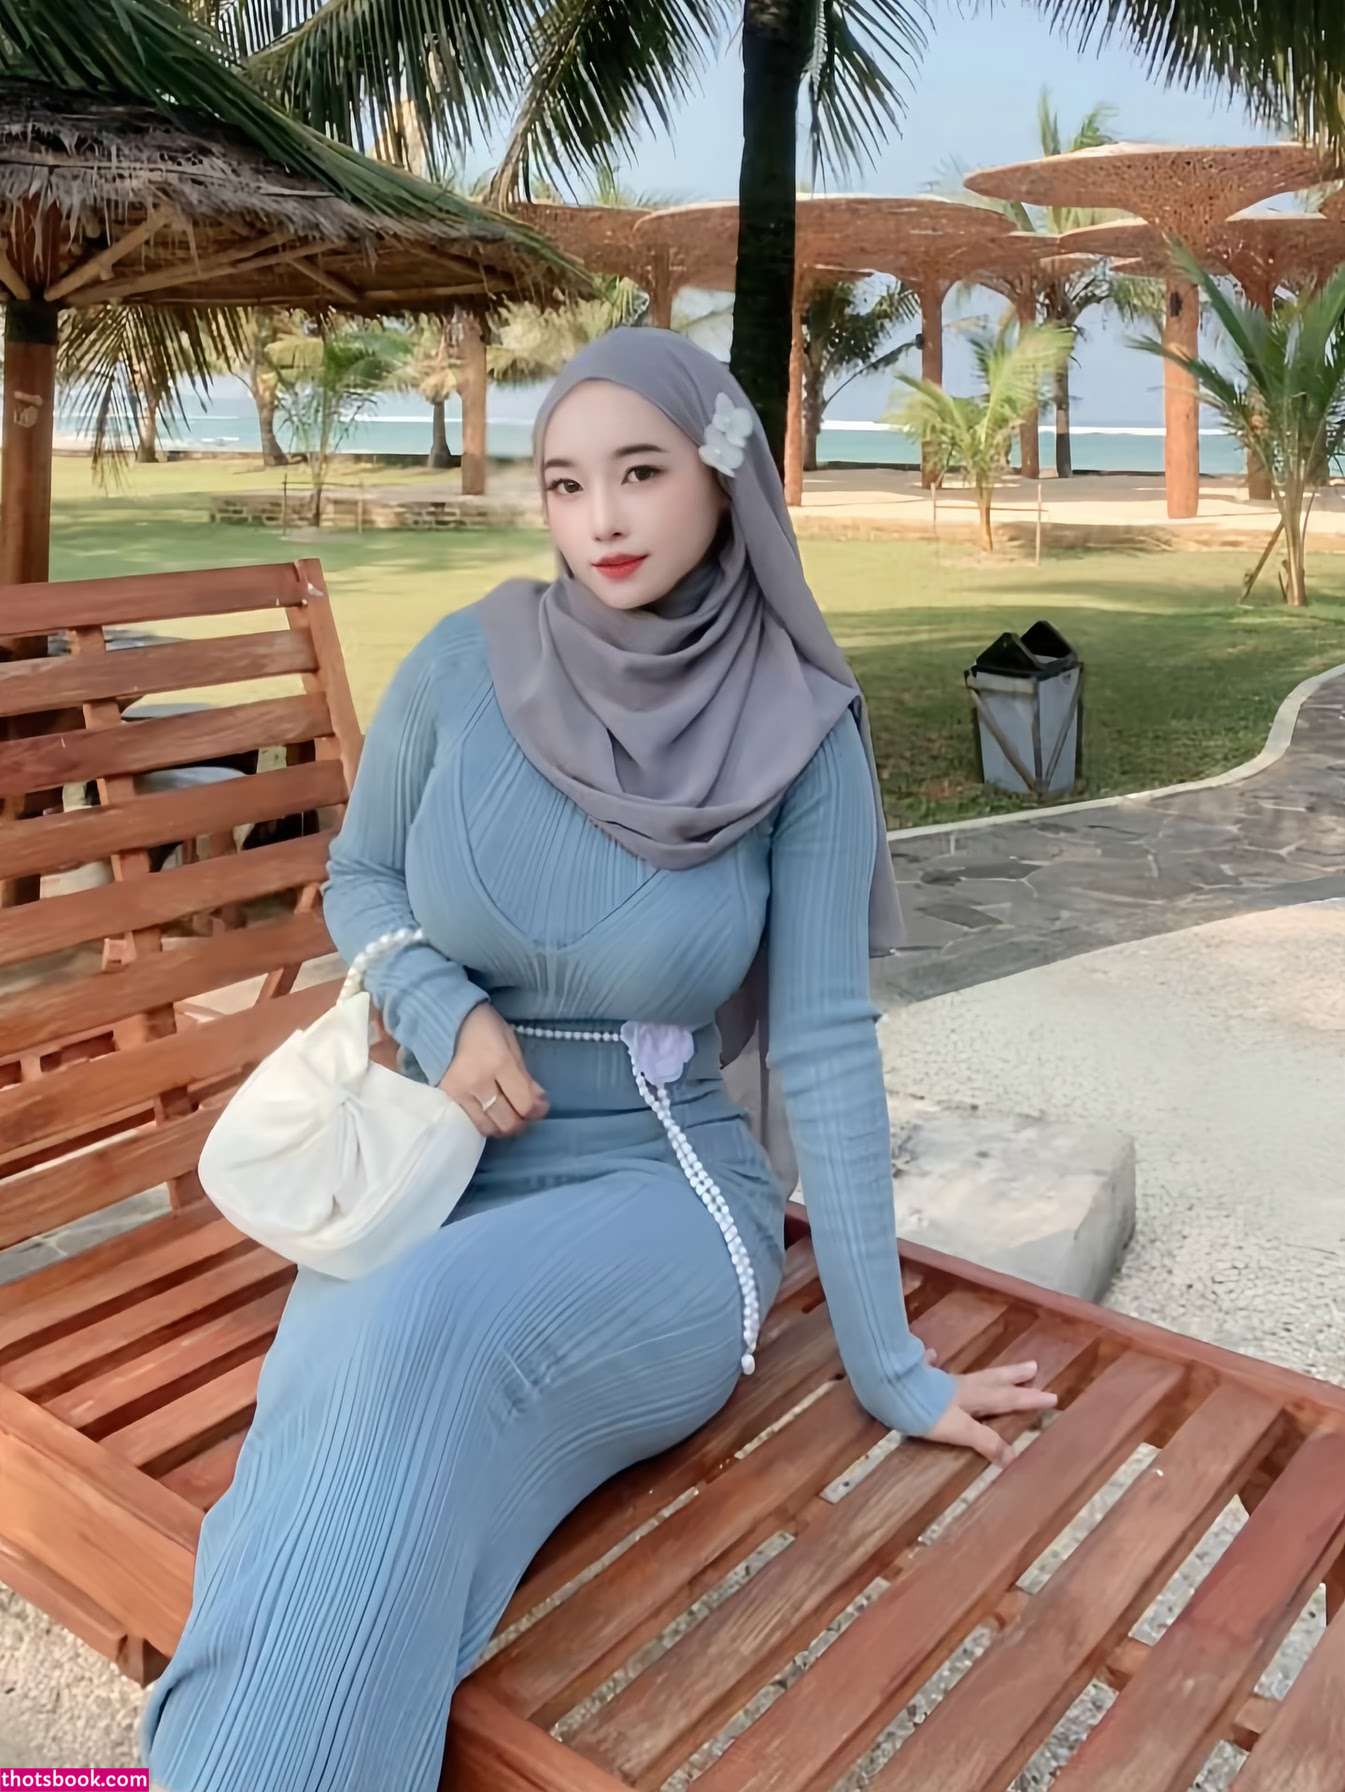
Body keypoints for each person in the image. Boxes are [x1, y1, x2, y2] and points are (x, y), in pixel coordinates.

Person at [139, 329, 1054, 1792]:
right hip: (432, 1170)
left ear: (722, 480)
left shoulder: (802, 730)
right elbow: (360, 877)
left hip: (662, 1192)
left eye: (641, 472)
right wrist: (440, 1003)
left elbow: (824, 1043)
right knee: (332, 1407)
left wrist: (890, 1365)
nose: (602, 520)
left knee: (411, 1335)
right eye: (566, 484)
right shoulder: (466, 661)